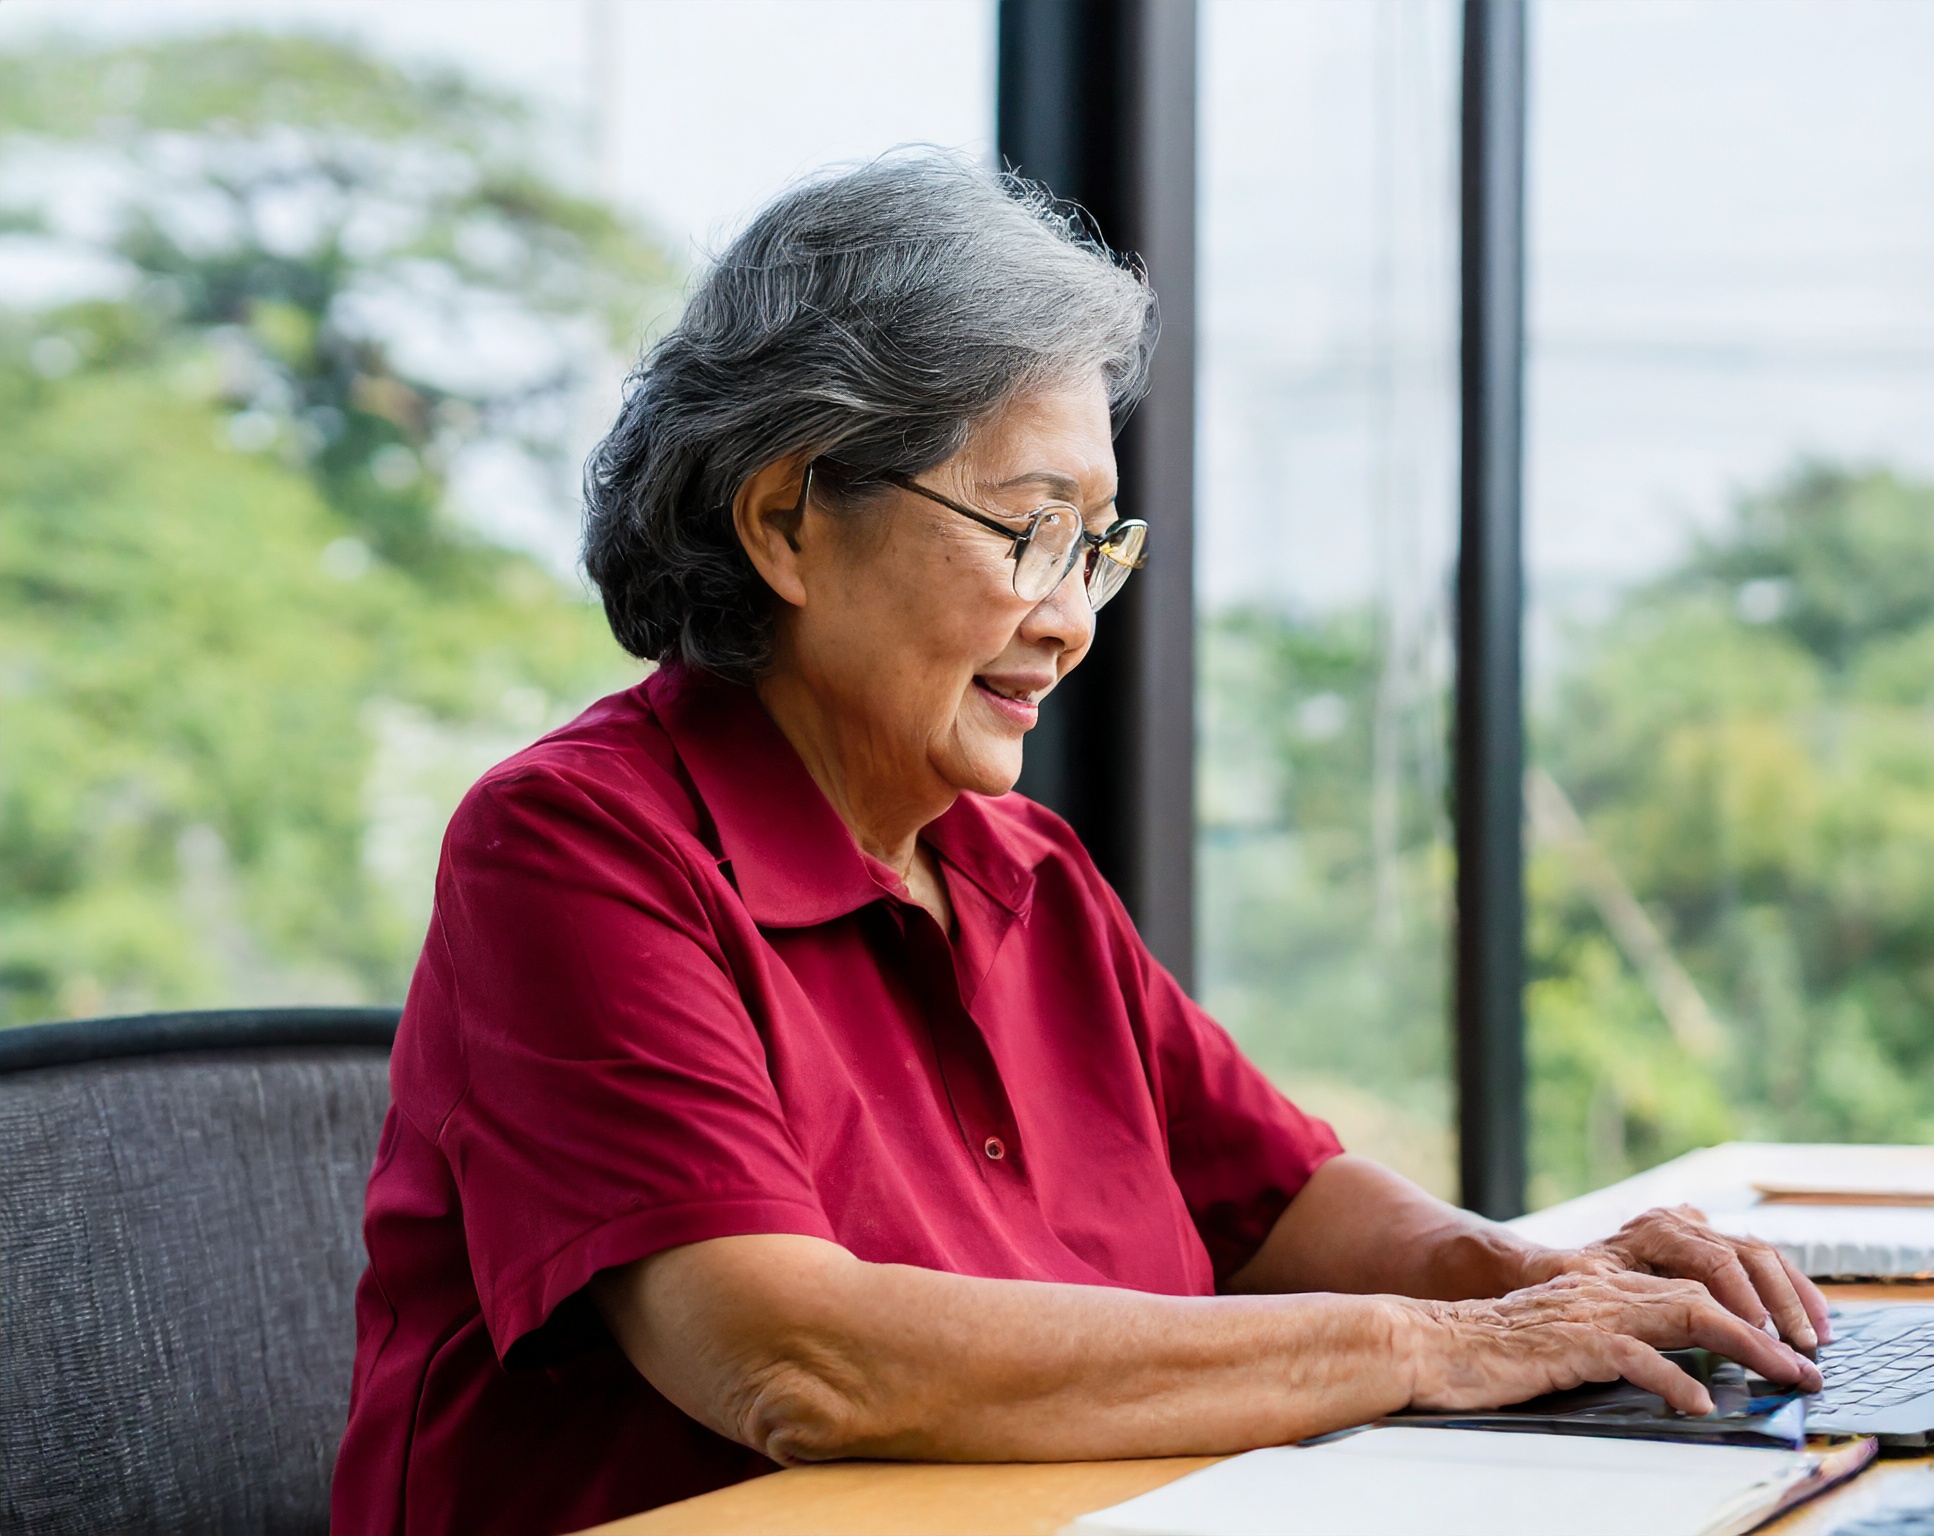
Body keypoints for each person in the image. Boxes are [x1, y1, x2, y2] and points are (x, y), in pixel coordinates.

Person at [330, 152, 1829, 1536]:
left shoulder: (1017, 865)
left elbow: (1280, 1205)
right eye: (1029, 530)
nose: (1070, 618)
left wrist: (1530, 1279)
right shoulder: (576, 846)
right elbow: (790, 1358)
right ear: (787, 520)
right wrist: (1432, 1345)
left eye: (1098, 546)